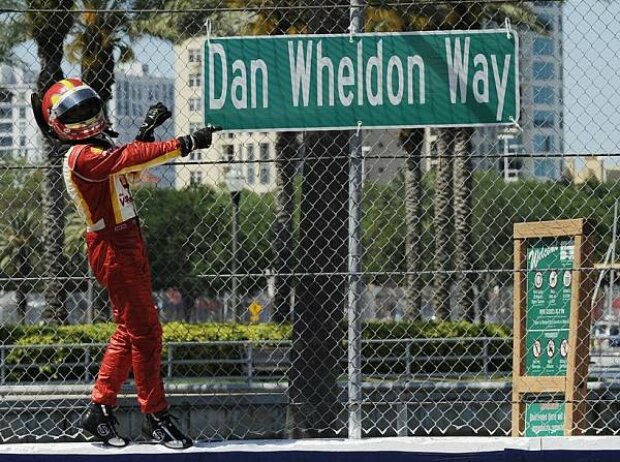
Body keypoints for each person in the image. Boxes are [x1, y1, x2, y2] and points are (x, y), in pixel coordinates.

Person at [32, 78, 221, 449]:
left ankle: (99, 409)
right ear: (58, 124)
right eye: (76, 113)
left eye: (88, 107)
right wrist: (185, 143)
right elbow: (124, 160)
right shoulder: (81, 156)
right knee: (147, 332)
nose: (86, 116)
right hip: (114, 247)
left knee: (130, 328)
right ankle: (155, 417)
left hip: (127, 242)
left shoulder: (96, 151)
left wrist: (148, 132)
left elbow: (129, 170)